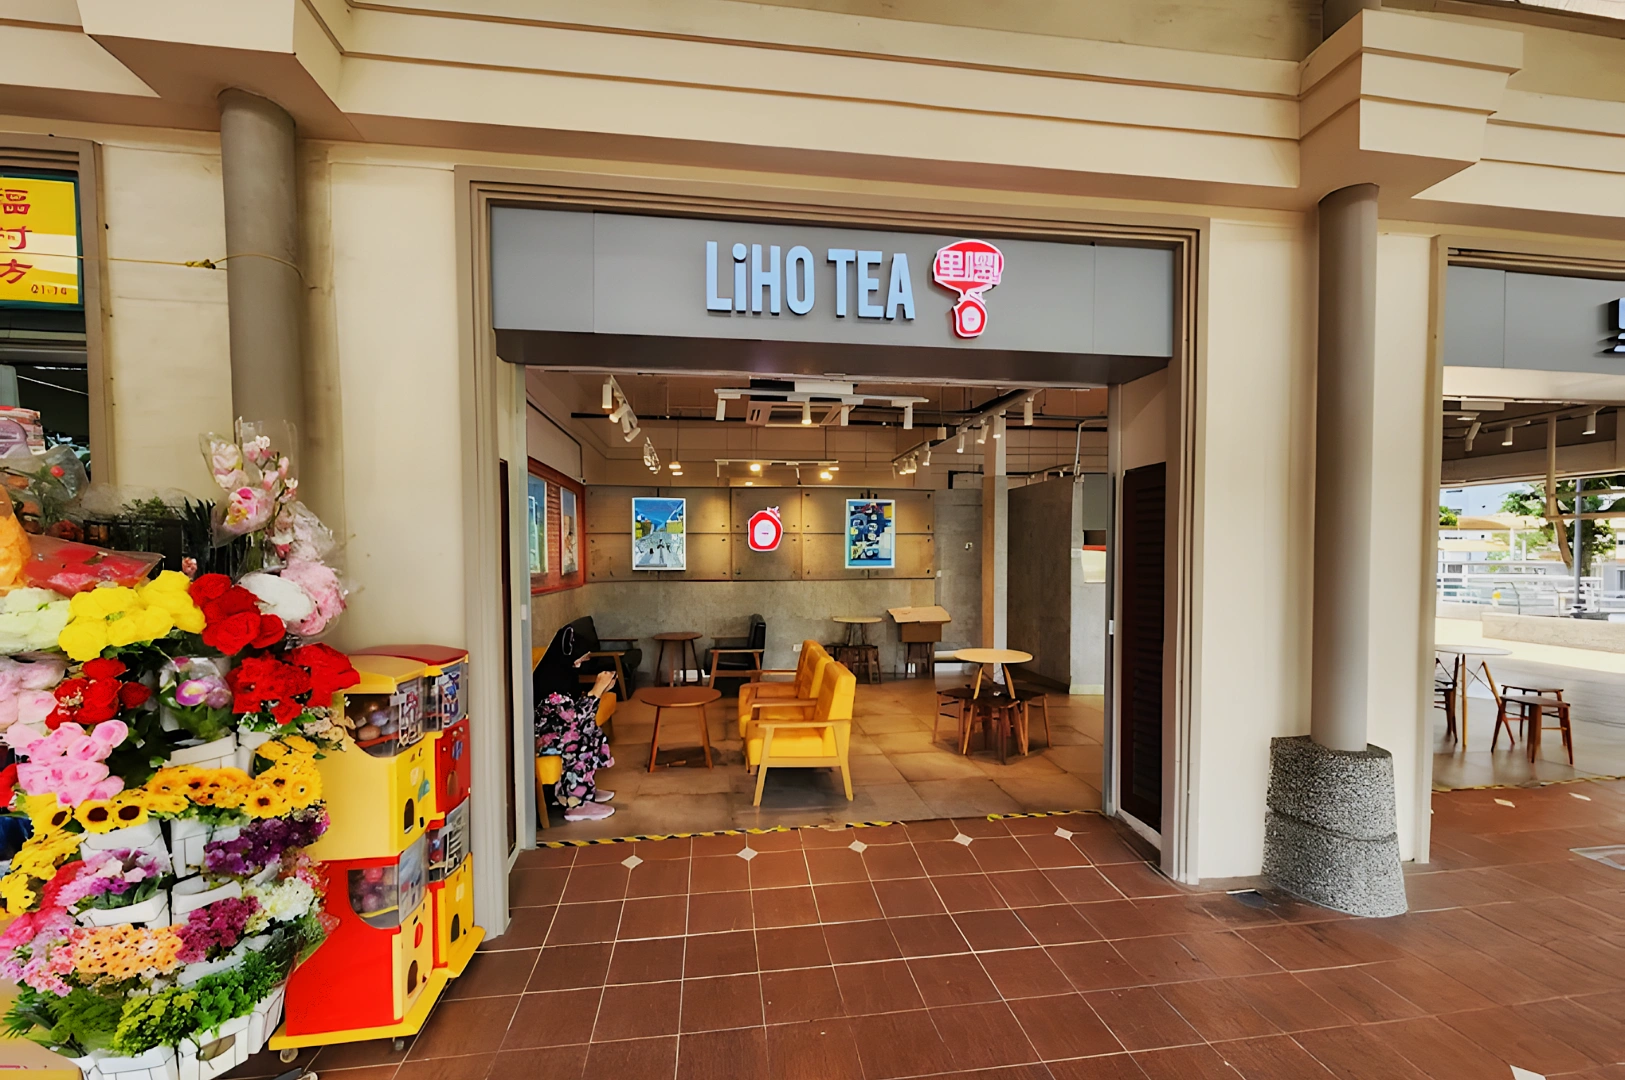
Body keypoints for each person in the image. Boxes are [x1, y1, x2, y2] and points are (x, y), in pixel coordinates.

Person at [534, 625, 618, 822]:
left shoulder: (563, 671)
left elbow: (574, 712)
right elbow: (574, 717)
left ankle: (582, 790)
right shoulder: (550, 679)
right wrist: (597, 688)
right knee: (579, 740)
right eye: (582, 656)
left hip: (557, 731)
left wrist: (601, 690)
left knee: (590, 731)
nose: (582, 661)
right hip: (541, 737)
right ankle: (577, 803)